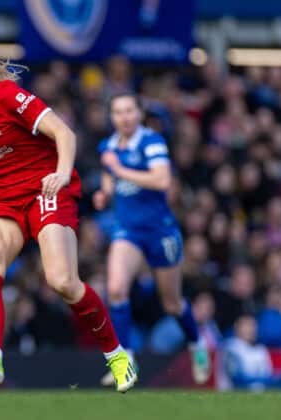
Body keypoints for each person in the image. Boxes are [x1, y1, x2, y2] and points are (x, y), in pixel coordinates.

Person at [0, 38, 136, 392]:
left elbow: (64, 133)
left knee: (61, 281)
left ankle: (118, 356)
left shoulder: (7, 96)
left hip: (45, 188)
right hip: (2, 200)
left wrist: (61, 173)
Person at [93, 93, 210, 386]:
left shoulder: (152, 142)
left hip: (160, 230)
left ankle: (197, 345)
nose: (124, 117)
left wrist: (119, 171)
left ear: (139, 113)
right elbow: (110, 178)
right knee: (117, 289)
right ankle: (125, 362)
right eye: (118, 112)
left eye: (129, 110)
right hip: (127, 230)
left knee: (172, 303)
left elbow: (162, 180)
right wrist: (105, 192)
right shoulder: (107, 146)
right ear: (112, 117)